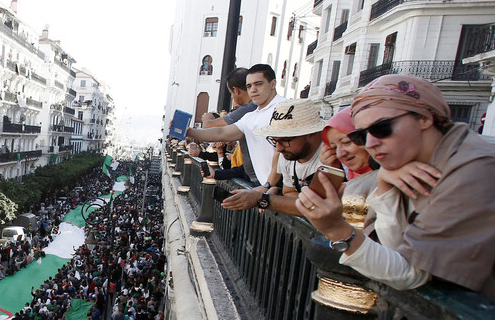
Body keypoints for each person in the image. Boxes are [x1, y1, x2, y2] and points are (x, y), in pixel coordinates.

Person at [296, 74, 495, 296]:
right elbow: (392, 248)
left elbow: (409, 272)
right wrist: (383, 183)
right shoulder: (397, 170)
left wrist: (336, 229)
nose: (370, 143)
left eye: (382, 129)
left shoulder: (470, 170)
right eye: (361, 135)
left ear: (424, 118)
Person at [186, 64, 286, 205]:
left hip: (282, 189)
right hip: (265, 189)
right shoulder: (251, 116)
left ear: (273, 84)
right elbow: (222, 132)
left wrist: (270, 185)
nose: (253, 90)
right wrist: (190, 132)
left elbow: (282, 154)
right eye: (249, 86)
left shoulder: (285, 109)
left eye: (258, 84)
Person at [243, 99, 326, 215]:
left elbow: (318, 207)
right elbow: (289, 192)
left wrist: (263, 200)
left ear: (312, 134)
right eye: (275, 140)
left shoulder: (333, 158)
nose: (278, 149)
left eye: (285, 140)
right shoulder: (288, 156)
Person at [320, 106, 377, 179]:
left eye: (346, 142)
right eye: (334, 147)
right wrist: (335, 174)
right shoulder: (351, 179)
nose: (339, 154)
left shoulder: (389, 176)